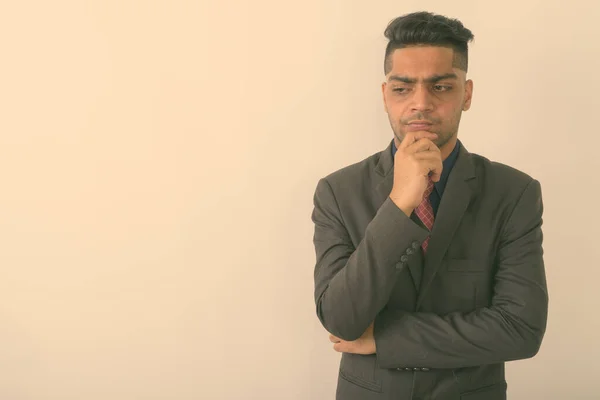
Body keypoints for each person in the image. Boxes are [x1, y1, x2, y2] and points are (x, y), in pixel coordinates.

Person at [310, 11, 548, 400]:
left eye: (440, 87)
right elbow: (342, 320)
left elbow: (521, 329)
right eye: (403, 89)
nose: (420, 104)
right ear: (385, 95)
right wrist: (400, 203)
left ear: (466, 94)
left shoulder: (514, 192)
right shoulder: (338, 191)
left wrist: (385, 339)